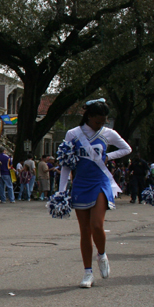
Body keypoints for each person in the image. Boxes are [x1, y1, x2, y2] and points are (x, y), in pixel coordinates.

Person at [57, 99, 132, 288]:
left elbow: (126, 149)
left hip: (100, 182)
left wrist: (108, 156)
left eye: (103, 121)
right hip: (80, 184)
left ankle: (102, 254)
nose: (101, 125)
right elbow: (66, 163)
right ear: (89, 116)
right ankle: (87, 273)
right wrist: (61, 191)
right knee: (84, 231)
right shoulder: (73, 134)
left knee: (97, 225)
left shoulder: (108, 134)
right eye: (98, 121)